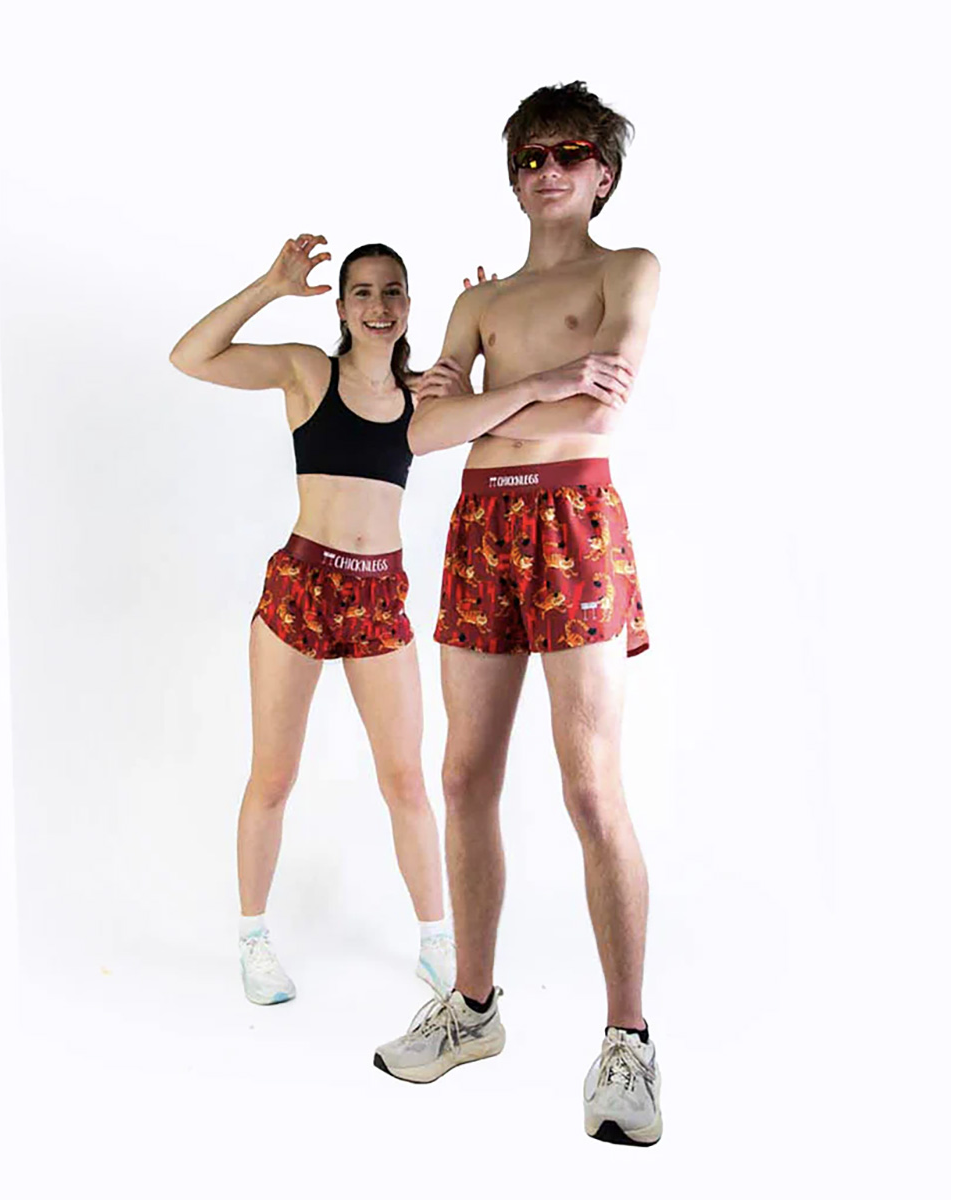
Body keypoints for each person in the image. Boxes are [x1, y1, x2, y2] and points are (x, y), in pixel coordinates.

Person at [371, 82, 663, 1148]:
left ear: (602, 174)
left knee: (590, 786)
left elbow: (602, 406)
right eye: (529, 156)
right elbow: (424, 435)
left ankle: (628, 1039)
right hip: (481, 526)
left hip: (574, 520)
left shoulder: (627, 269)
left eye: (569, 152)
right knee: (463, 776)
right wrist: (536, 386)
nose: (547, 169)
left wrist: (492, 401)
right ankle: (474, 1008)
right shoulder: (478, 303)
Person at [170, 236, 455, 1005]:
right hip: (303, 586)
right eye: (362, 291)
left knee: (406, 778)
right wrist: (270, 284)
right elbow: (190, 357)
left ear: (408, 305)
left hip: (379, 596)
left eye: (392, 291)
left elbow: (499, 410)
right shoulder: (308, 372)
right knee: (274, 775)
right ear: (341, 305)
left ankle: (438, 943)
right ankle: (253, 940)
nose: (378, 305)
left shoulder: (424, 396)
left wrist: (490, 322)